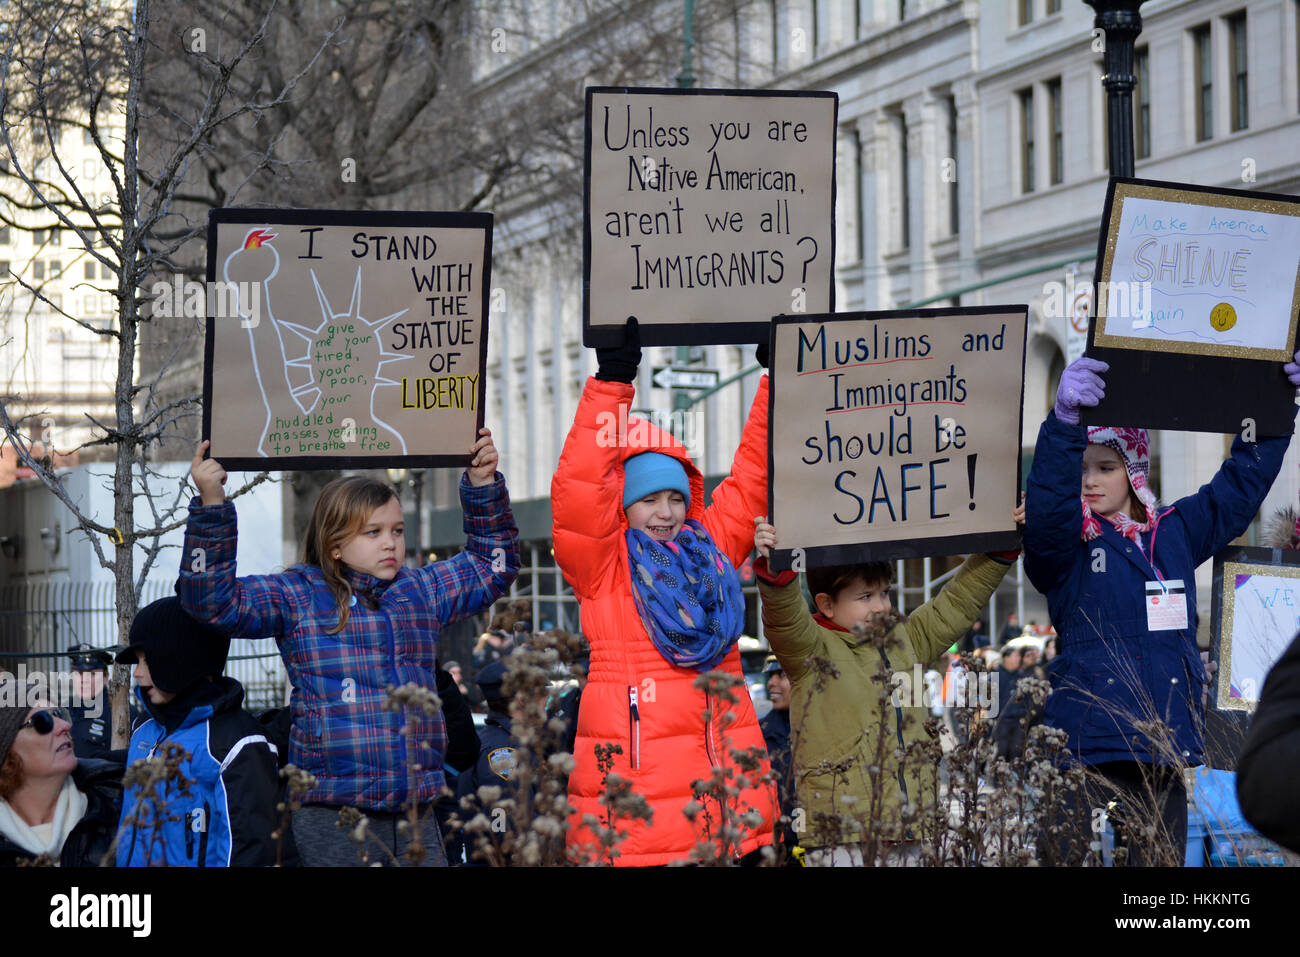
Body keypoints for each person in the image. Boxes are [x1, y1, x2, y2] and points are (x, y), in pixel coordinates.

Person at [178, 431, 519, 866]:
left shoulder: (420, 590)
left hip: (415, 809)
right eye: (372, 532)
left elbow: (493, 566)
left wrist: (484, 485)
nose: (390, 542)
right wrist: (212, 506)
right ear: (334, 545)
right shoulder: (299, 595)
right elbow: (212, 601)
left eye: (396, 530)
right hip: (334, 811)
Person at [1024, 353, 1300, 866]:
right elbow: (1046, 517)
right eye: (1081, 469)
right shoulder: (1067, 545)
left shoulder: (1173, 530)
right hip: (1085, 748)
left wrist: (1276, 406)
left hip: (1162, 747)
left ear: (1133, 470)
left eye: (1105, 467)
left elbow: (1237, 488)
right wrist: (1062, 426)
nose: (1089, 480)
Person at [552, 319, 775, 866]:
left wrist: (778, 381)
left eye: (677, 498)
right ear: (623, 507)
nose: (666, 512)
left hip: (729, 807)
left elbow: (750, 478)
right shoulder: (602, 566)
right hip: (639, 822)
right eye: (650, 499)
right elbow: (581, 489)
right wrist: (612, 382)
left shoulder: (712, 552)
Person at [753, 505, 1023, 867]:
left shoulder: (906, 640)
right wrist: (777, 569)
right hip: (843, 834)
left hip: (914, 828)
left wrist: (1000, 546)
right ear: (826, 605)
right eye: (865, 597)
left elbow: (956, 602)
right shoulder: (810, 649)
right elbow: (783, 617)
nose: (881, 606)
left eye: (884, 593)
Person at [115, 597, 281, 867]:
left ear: (181, 659)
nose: (137, 674)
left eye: (147, 661)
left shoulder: (236, 744)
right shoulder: (143, 732)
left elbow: (251, 852)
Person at [0, 675, 123, 867]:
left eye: (59, 714)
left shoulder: (116, 805)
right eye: (42, 721)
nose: (65, 726)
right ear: (6, 750)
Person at [455, 660, 528, 865]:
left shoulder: (508, 739)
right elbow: (500, 818)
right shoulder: (502, 751)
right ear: (520, 699)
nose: (544, 699)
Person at [758, 656, 798, 863]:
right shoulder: (757, 734)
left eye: (781, 674)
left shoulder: (822, 732)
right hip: (773, 852)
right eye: (770, 675)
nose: (771, 682)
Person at [65, 643, 119, 761]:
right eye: (79, 673)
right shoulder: (62, 710)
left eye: (92, 674)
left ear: (105, 677)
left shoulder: (119, 713)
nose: (85, 680)